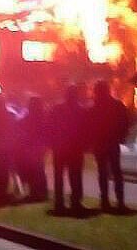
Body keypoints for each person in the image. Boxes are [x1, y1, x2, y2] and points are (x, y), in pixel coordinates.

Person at [90, 80, 129, 212]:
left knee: (104, 173)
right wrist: (121, 137)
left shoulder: (95, 107)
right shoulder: (117, 105)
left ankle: (106, 201)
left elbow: (88, 127)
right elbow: (125, 122)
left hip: (102, 144)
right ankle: (119, 201)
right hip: (111, 143)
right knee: (115, 172)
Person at [49, 85, 87, 215]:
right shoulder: (81, 110)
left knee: (60, 176)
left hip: (61, 148)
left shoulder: (57, 109)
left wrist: (52, 143)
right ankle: (75, 202)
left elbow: (50, 126)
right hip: (74, 148)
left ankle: (60, 203)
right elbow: (84, 130)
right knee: (75, 176)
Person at [18, 97, 48, 202]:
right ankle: (41, 192)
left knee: (34, 170)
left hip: (31, 147)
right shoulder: (42, 117)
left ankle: (35, 192)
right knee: (39, 169)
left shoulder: (29, 117)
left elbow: (21, 125)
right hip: (38, 147)